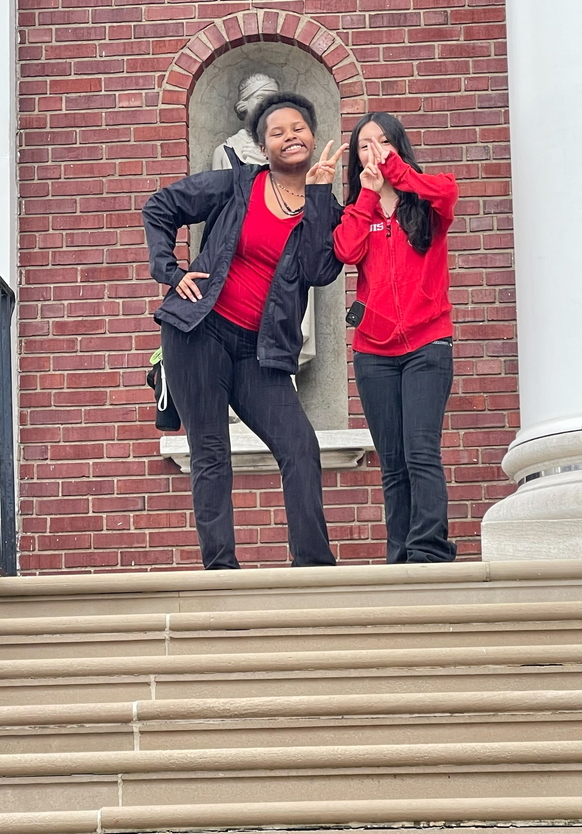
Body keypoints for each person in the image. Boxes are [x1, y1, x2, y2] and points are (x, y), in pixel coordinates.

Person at [143, 92, 347, 570]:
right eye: (276, 132)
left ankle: (313, 567)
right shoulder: (240, 184)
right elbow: (161, 206)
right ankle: (221, 570)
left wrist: (319, 192)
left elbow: (320, 270)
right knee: (210, 451)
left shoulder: (326, 210)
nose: (289, 137)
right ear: (263, 147)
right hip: (199, 333)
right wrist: (171, 271)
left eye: (297, 128)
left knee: (299, 446)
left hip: (260, 351)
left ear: (313, 137)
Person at [333, 111, 459, 564]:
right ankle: (400, 555)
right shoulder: (358, 210)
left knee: (421, 451)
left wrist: (399, 175)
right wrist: (367, 197)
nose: (374, 152)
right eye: (365, 145)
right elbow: (345, 250)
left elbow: (446, 189)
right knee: (393, 462)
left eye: (382, 142)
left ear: (397, 146)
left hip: (428, 344)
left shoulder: (425, 201)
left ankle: (428, 552)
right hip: (374, 353)